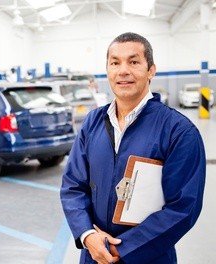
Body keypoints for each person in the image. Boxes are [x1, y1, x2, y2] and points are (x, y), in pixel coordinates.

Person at [60, 32, 206, 264]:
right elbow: (72, 186)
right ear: (107, 70)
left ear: (151, 70)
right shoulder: (92, 123)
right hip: (94, 255)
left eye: (134, 61)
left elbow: (183, 208)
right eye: (115, 63)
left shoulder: (179, 131)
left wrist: (123, 249)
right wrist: (88, 236)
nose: (123, 71)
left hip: (148, 257)